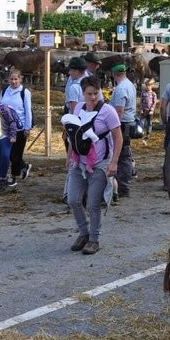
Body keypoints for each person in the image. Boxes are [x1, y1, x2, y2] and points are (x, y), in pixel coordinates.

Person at [65, 76, 122, 255]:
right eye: (89, 93)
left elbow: (118, 137)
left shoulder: (108, 111)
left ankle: (93, 239)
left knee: (93, 203)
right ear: (83, 93)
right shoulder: (78, 109)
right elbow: (72, 136)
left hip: (100, 163)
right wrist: (68, 157)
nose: (93, 97)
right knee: (73, 199)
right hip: (79, 161)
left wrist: (114, 162)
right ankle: (83, 232)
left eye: (96, 93)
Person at [0, 69, 32, 183]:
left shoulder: (25, 92)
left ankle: (14, 177)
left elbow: (28, 111)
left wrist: (27, 128)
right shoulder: (4, 91)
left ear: (20, 79)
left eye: (16, 79)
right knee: (8, 153)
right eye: (11, 79)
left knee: (15, 155)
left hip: (20, 127)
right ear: (8, 80)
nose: (13, 81)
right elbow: (0, 107)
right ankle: (24, 166)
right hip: (6, 128)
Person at [109, 63, 136, 198]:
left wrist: (113, 126)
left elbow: (119, 110)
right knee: (124, 155)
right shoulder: (130, 84)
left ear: (114, 74)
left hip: (122, 124)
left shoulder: (120, 89)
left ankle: (122, 187)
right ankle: (123, 185)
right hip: (128, 122)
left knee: (121, 155)